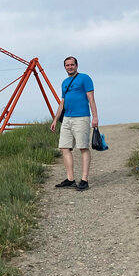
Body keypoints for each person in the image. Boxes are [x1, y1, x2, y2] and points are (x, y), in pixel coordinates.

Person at [50, 56, 98, 191]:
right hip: (67, 118)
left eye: (72, 65)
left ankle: (84, 180)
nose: (70, 67)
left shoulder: (85, 78)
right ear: (64, 67)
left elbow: (91, 99)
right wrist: (55, 119)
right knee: (64, 148)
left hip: (81, 117)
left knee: (83, 148)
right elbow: (62, 102)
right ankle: (70, 179)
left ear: (76, 65)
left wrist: (95, 118)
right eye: (67, 65)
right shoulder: (64, 82)